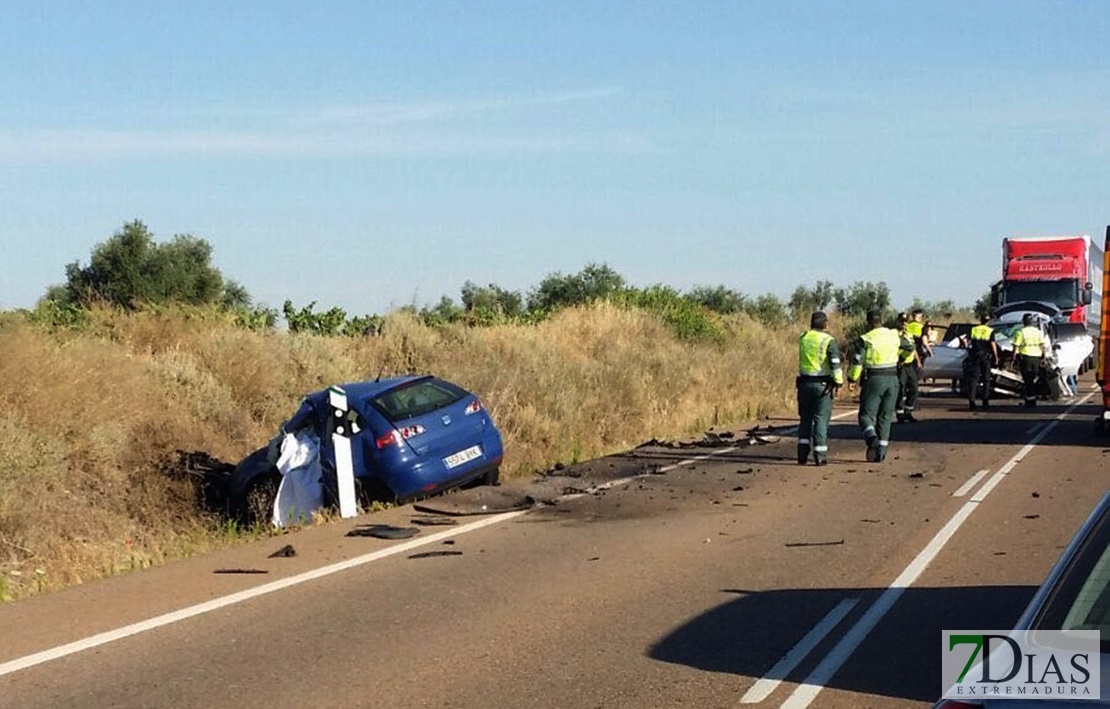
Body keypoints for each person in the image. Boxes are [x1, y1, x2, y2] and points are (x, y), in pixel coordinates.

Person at [848, 309, 913, 462]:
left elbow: (858, 361)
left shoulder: (866, 338)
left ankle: (872, 440)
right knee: (885, 416)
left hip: (874, 378)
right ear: (882, 320)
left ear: (868, 322)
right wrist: (900, 358)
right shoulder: (893, 335)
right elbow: (910, 346)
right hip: (892, 379)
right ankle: (881, 452)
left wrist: (852, 379)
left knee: (866, 415)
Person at [796, 311, 844, 466]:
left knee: (805, 419)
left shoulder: (803, 337)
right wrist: (839, 382)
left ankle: (802, 454)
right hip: (822, 385)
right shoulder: (828, 340)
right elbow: (835, 363)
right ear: (825, 324)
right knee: (820, 419)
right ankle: (819, 454)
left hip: (804, 383)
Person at [1010, 313, 1047, 407]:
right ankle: (1031, 399)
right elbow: (1042, 345)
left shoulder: (1020, 332)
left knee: (1027, 379)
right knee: (1033, 378)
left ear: (1024, 322)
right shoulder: (1038, 332)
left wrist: (1013, 359)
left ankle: (1030, 400)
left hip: (1026, 357)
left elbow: (1015, 347)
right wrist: (1044, 357)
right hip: (1036, 357)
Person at [965, 314, 999, 410]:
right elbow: (993, 344)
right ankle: (985, 401)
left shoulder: (973, 329)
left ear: (981, 320)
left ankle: (972, 401)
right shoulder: (990, 331)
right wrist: (996, 357)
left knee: (973, 379)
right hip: (985, 357)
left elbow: (967, 342)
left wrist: (969, 352)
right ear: (988, 321)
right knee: (986, 379)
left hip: (974, 356)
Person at [895, 313, 922, 423]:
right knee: (901, 389)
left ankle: (908, 411)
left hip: (910, 365)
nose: (904, 324)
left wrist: (918, 360)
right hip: (900, 365)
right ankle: (899, 413)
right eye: (902, 321)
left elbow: (913, 348)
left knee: (914, 388)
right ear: (898, 322)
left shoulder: (909, 334)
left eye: (906, 321)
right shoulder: (895, 334)